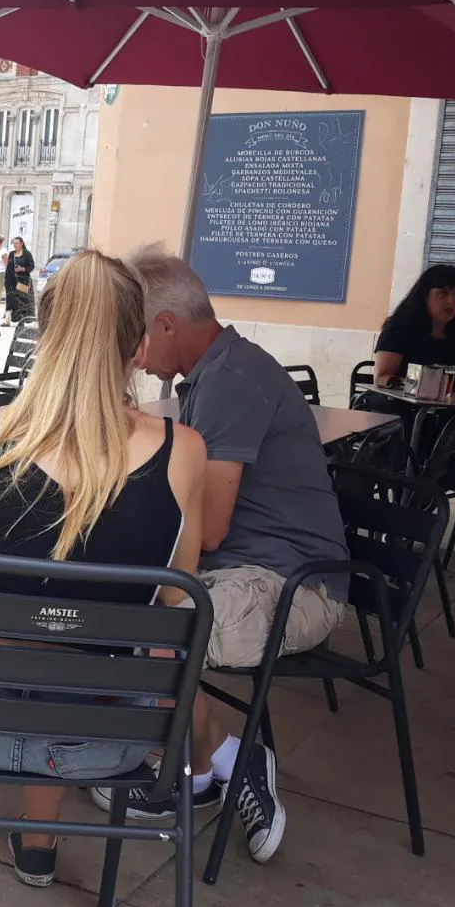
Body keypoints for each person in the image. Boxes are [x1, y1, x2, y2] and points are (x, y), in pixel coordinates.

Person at [0, 249, 208, 886]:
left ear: (43, 338)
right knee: (85, 651)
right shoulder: (182, 451)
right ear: (139, 347)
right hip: (108, 738)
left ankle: (38, 835)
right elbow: (176, 601)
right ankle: (39, 834)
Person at [126, 245, 352, 862]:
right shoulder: (218, 371)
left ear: (165, 325)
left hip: (293, 586)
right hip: (249, 572)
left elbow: (209, 530)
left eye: (134, 338)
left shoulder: (229, 380)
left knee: (144, 630)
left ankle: (231, 754)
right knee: (127, 609)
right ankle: (204, 771)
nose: (134, 357)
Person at [373, 264, 455, 393]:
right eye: (443, 293)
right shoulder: (399, 328)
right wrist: (427, 385)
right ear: (424, 296)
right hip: (402, 401)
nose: (451, 301)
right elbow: (381, 378)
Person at [4, 235, 35, 324]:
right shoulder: (11, 254)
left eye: (17, 243)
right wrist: (6, 280)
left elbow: (32, 266)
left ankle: (22, 320)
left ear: (21, 244)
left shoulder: (27, 254)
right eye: (14, 243)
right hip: (11, 281)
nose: (15, 245)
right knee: (10, 299)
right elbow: (8, 268)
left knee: (23, 301)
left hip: (23, 281)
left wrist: (23, 269)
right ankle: (7, 320)